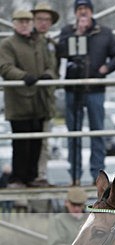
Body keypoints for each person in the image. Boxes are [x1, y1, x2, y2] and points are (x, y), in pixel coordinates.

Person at [56, 0, 115, 185]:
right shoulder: (67, 31)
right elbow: (59, 53)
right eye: (79, 9)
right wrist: (77, 34)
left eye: (86, 9)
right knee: (73, 134)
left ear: (92, 12)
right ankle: (75, 175)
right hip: (73, 89)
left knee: (97, 133)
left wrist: (105, 69)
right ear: (75, 13)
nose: (83, 13)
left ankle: (98, 175)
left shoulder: (104, 32)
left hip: (95, 89)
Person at [0, 9, 57, 188]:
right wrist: (23, 76)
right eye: (20, 21)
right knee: (21, 142)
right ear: (15, 24)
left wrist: (48, 74)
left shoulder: (41, 42)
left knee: (37, 142)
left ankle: (32, 177)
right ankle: (18, 178)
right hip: (19, 100)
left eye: (27, 21)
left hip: (39, 99)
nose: (24, 24)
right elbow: (5, 67)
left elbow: (51, 63)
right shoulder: (7, 44)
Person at [32, 3, 61, 183]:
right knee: (25, 140)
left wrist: (49, 75)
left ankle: (40, 174)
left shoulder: (51, 44)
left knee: (43, 141)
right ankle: (28, 175)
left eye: (47, 20)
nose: (43, 23)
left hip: (45, 98)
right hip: (26, 97)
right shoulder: (26, 41)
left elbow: (55, 68)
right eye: (39, 19)